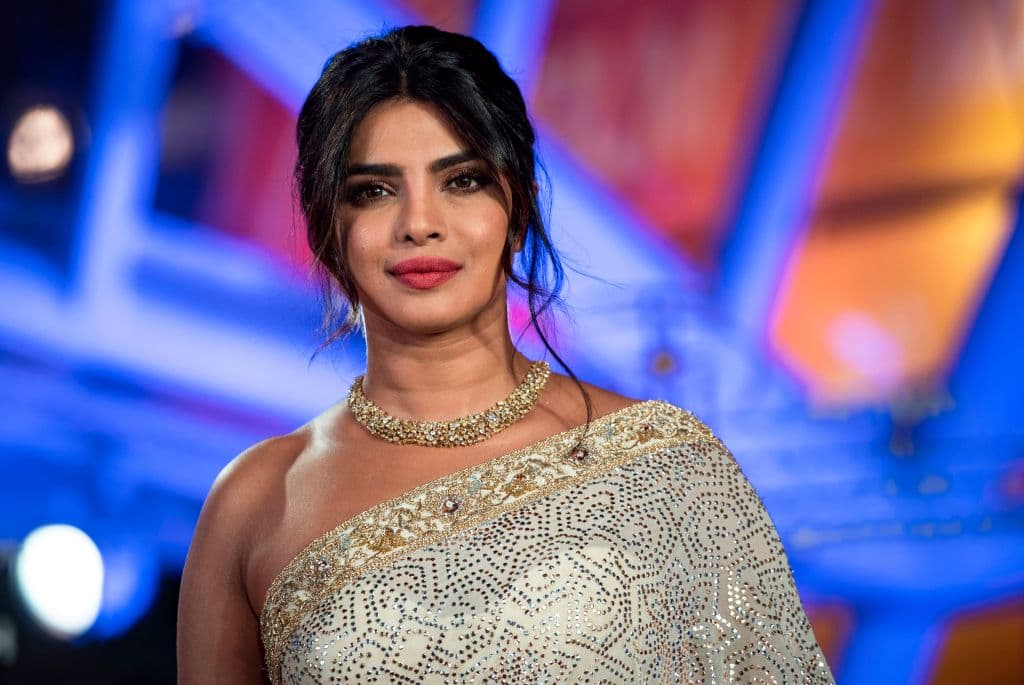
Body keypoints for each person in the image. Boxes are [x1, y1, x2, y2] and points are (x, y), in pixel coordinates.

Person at [176, 25, 835, 684]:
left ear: (518, 206)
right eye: (374, 190)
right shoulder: (257, 501)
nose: (420, 222)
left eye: (460, 181)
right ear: (327, 228)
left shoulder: (665, 467)